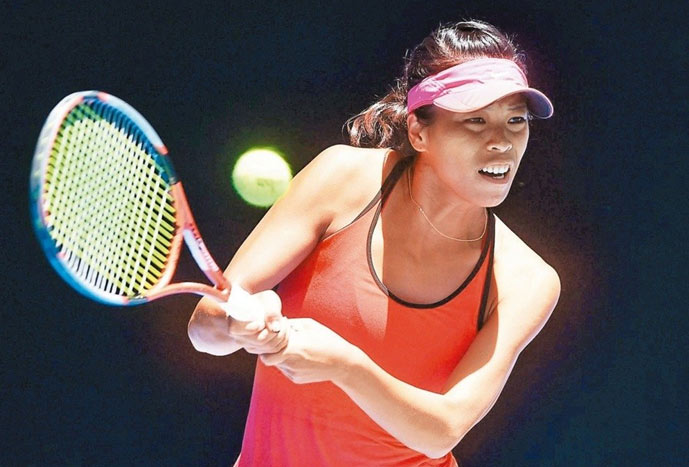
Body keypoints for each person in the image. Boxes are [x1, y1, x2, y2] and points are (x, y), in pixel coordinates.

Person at [187, 20, 561, 467]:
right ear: (419, 131)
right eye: (475, 120)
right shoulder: (341, 178)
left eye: (516, 120)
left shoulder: (527, 280)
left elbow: (442, 431)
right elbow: (203, 330)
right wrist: (238, 324)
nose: (501, 142)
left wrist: (345, 365)